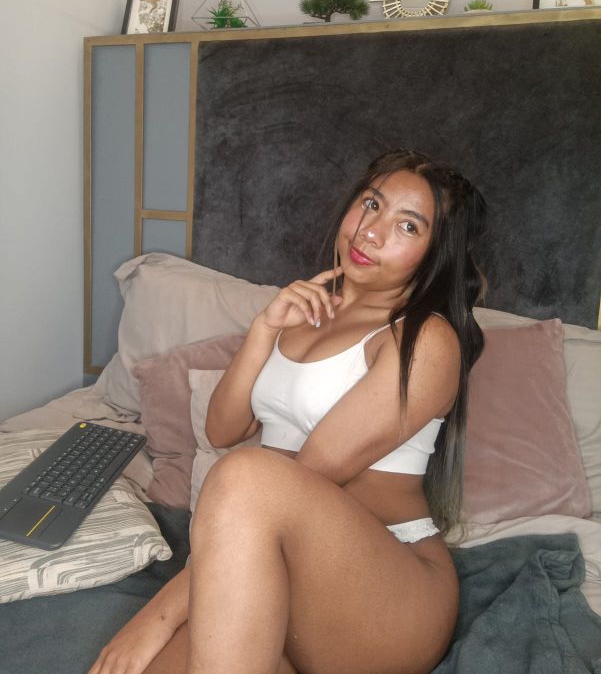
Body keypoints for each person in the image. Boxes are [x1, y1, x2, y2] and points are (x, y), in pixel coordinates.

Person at [89, 148, 487, 674]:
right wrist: (265, 329)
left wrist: (157, 617)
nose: (371, 232)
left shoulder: (424, 339)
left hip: (391, 589)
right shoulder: (308, 309)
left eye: (407, 226)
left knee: (245, 475)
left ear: (436, 253)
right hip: (282, 567)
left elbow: (289, 480)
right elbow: (221, 430)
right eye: (372, 204)